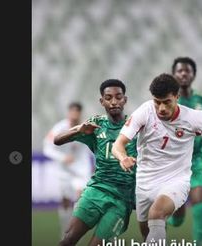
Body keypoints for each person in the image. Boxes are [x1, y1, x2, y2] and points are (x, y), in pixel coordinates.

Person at [112, 73, 202, 244]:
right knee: (147, 234)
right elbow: (118, 145)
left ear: (177, 97)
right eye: (157, 102)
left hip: (176, 180)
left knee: (157, 214)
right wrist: (122, 158)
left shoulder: (192, 117)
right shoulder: (144, 112)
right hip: (145, 183)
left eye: (166, 102)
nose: (161, 108)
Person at [54, 79, 138, 246]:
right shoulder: (96, 125)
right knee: (67, 240)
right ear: (102, 101)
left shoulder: (136, 125)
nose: (114, 102)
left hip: (122, 200)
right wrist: (78, 130)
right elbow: (57, 140)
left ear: (125, 100)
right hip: (96, 192)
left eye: (118, 97)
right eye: (108, 98)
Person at [166, 57, 202, 246]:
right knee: (178, 214)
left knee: (199, 199)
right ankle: (172, 218)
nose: (183, 74)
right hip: (175, 160)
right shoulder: (168, 101)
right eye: (180, 71)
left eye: (187, 71)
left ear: (193, 75)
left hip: (197, 159)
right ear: (174, 74)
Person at [43, 102, 93, 239]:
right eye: (72, 112)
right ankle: (64, 231)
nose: (74, 116)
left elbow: (94, 147)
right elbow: (47, 148)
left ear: (80, 114)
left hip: (81, 169)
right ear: (69, 113)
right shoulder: (60, 127)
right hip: (64, 171)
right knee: (65, 201)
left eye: (77, 113)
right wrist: (62, 157)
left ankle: (74, 232)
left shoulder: (86, 128)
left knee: (80, 198)